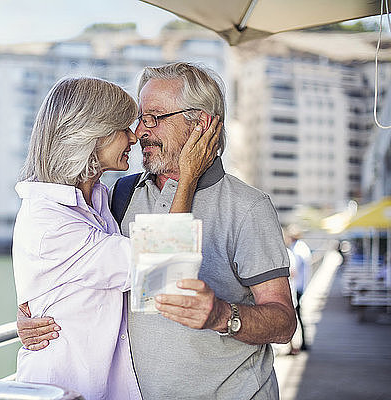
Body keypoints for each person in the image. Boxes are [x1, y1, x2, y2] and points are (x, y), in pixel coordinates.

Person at [17, 62, 296, 399]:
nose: (139, 132)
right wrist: (32, 311)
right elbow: (75, 266)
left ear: (200, 124)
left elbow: (283, 324)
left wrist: (224, 315)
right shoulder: (120, 194)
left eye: (152, 118)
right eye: (136, 120)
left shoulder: (248, 207)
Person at [12, 76, 220, 400]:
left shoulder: (97, 198)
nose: (135, 136)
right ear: (91, 135)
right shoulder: (49, 221)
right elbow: (165, 270)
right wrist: (188, 176)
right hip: (63, 390)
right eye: (124, 127)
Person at [285, 224, 312, 352]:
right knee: (298, 316)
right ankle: (301, 343)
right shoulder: (302, 247)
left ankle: (299, 344)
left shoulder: (297, 249)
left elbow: (293, 271)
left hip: (296, 287)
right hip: (300, 285)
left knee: (295, 316)